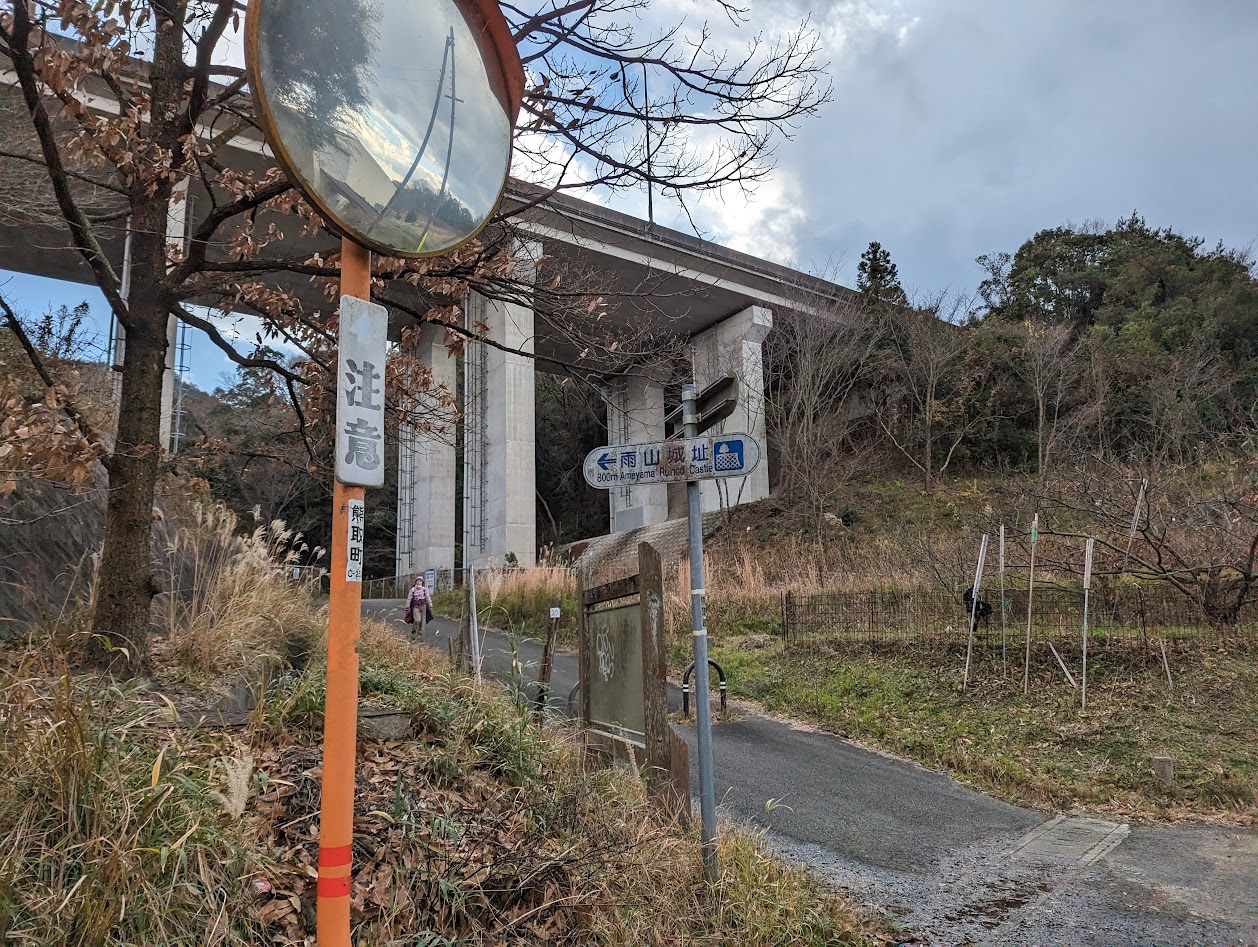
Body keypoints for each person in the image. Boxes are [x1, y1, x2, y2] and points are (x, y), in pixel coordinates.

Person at [405, 574, 433, 642]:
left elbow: (428, 597)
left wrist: (430, 605)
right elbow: (409, 599)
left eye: (420, 581)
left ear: (422, 582)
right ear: (416, 582)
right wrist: (407, 607)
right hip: (416, 606)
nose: (419, 582)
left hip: (423, 606)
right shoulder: (413, 590)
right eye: (417, 580)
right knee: (417, 620)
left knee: (422, 623)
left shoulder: (424, 589)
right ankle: (414, 631)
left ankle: (419, 637)